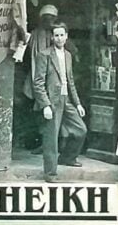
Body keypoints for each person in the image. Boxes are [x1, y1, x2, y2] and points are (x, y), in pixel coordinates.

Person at [32, 22, 87, 183]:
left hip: (66, 99)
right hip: (52, 101)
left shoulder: (68, 55)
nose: (59, 38)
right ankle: (50, 173)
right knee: (51, 139)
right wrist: (46, 105)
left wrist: (77, 104)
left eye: (62, 35)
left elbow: (70, 81)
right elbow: (38, 83)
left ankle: (68, 158)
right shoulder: (44, 54)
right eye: (56, 35)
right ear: (52, 37)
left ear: (66, 36)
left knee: (81, 129)